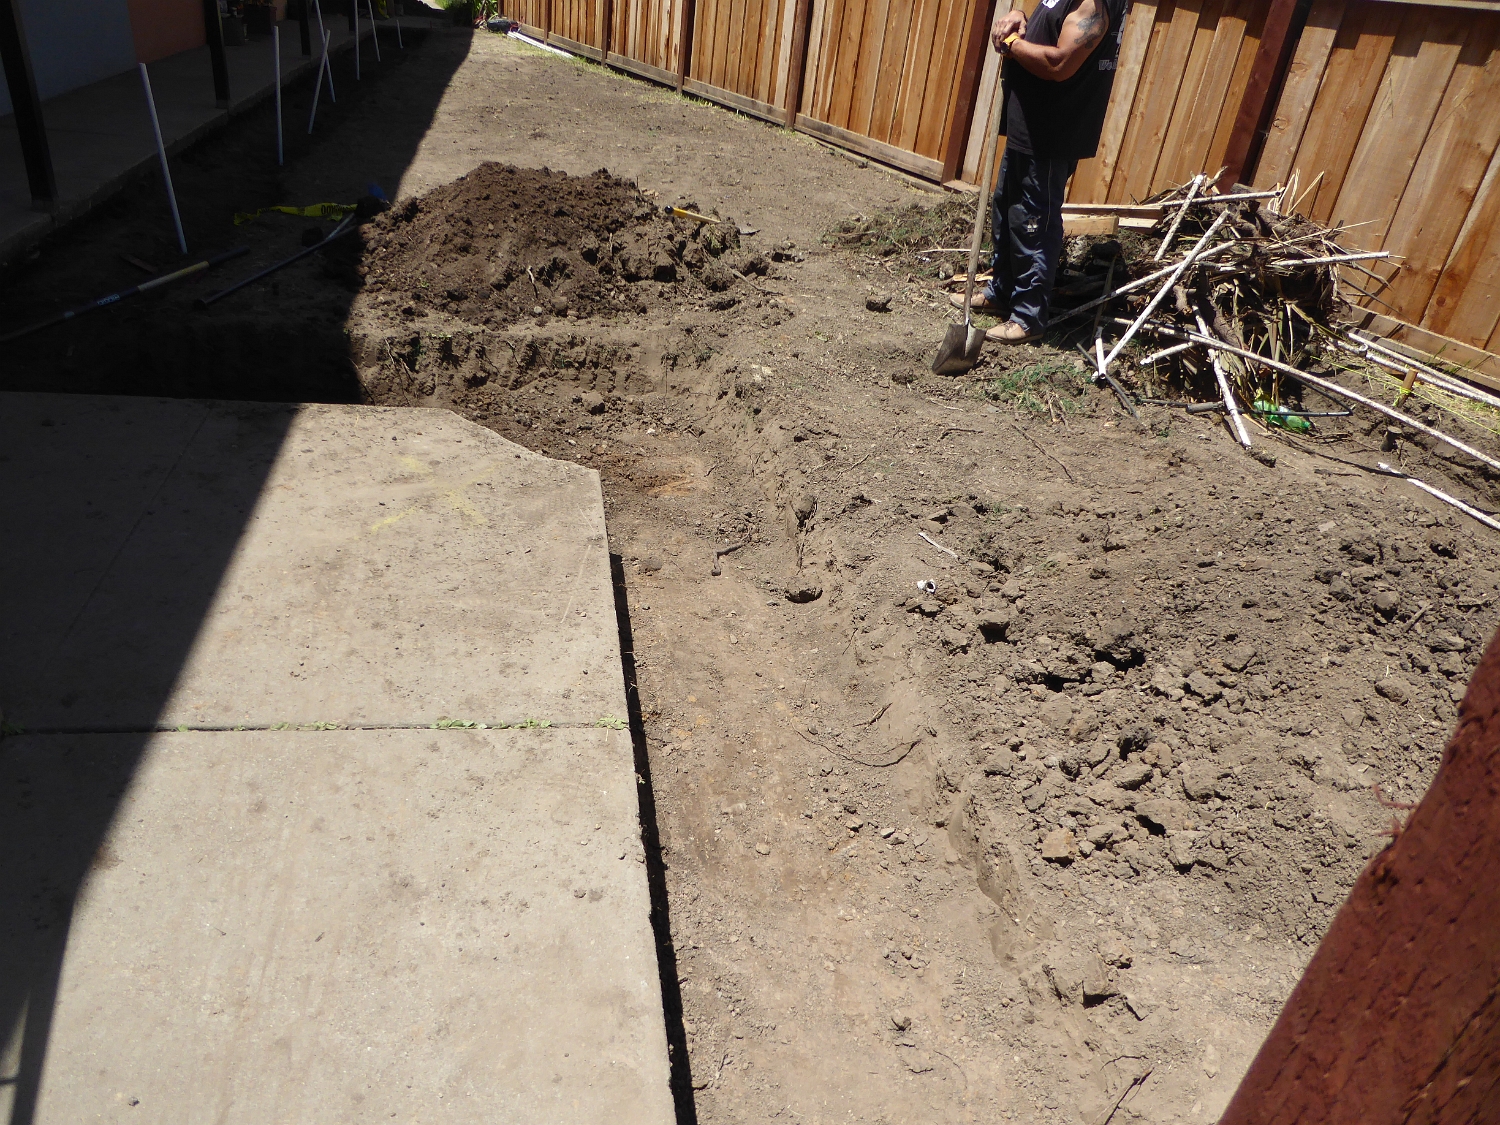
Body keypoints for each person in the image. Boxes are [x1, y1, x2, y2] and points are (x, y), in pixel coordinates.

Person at [951, 0, 1130, 344]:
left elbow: (1058, 63)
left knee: (1034, 221)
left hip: (1052, 130)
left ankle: (1028, 316)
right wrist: (1019, 18)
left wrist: (1012, 44)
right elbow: (1047, 24)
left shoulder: (1094, 5)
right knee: (1007, 209)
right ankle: (1002, 292)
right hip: (1029, 122)